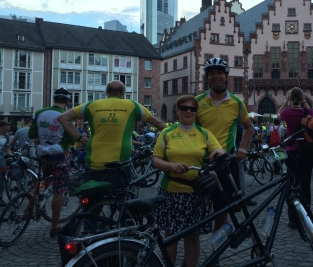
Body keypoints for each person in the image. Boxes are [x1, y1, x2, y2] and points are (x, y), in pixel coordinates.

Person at [153, 95, 224, 267]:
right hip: (171, 192)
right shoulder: (167, 133)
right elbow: (155, 160)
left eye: (193, 109)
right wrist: (172, 166)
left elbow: (218, 150)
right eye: (184, 108)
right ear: (177, 110)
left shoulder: (204, 133)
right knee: (171, 237)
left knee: (192, 238)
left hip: (196, 194)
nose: (189, 111)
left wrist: (218, 155)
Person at [58, 80, 166, 188]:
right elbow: (158, 123)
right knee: (121, 199)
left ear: (106, 92)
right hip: (121, 162)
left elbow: (63, 118)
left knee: (93, 199)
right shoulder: (132, 105)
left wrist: (80, 138)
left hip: (94, 161)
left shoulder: (91, 105)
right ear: (123, 93)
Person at [195, 58, 254, 233]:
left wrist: (242, 148)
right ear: (207, 77)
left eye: (220, 72)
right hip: (202, 162)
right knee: (196, 209)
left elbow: (248, 127)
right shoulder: (197, 102)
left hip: (225, 162)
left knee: (222, 210)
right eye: (211, 73)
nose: (216, 76)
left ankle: (216, 251)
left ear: (226, 76)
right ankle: (193, 251)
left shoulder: (236, 102)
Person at [28, 88, 76, 237]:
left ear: (53, 99)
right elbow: (72, 139)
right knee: (58, 190)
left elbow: (31, 134)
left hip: (43, 153)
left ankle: (34, 202)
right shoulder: (67, 116)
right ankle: (54, 226)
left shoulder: (39, 113)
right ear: (67, 101)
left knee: (43, 180)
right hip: (59, 155)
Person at [277, 87, 313, 228]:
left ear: (291, 99)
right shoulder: (307, 112)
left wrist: (286, 100)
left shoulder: (287, 112)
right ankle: (307, 216)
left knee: (292, 185)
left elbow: (278, 114)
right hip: (306, 151)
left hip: (291, 151)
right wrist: (305, 101)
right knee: (306, 186)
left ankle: (293, 218)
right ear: (302, 98)